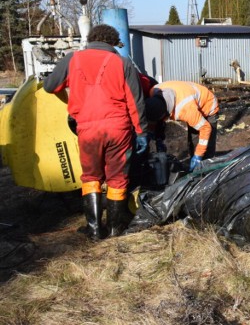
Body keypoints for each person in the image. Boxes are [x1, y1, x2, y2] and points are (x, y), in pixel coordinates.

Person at [43, 24, 149, 240]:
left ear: (91, 39)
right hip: (118, 129)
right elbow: (135, 102)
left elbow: (50, 86)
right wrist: (142, 132)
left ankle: (93, 230)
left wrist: (71, 99)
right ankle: (114, 229)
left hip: (87, 129)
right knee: (117, 178)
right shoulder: (122, 62)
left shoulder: (72, 59)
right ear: (112, 42)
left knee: (91, 177)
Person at [144, 81, 219, 172]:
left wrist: (198, 155)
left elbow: (206, 128)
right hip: (190, 98)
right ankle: (195, 169)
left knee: (206, 145)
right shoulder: (154, 91)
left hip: (208, 104)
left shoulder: (184, 110)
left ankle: (208, 171)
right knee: (194, 142)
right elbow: (158, 120)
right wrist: (158, 138)